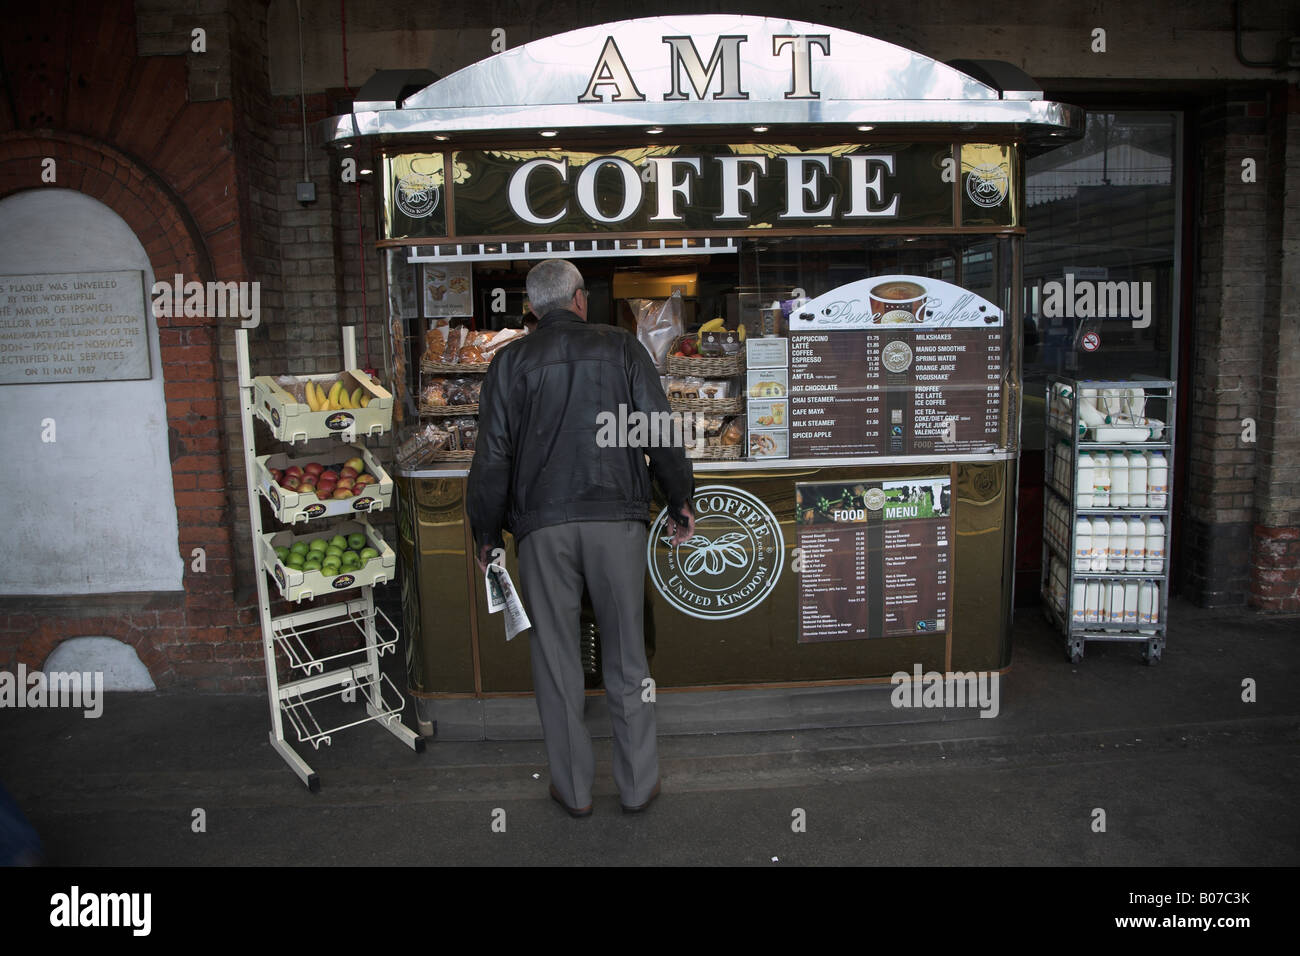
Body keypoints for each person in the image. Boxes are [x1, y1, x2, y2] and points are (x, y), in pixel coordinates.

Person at [468, 259, 695, 818]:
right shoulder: (621, 347)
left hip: (542, 527)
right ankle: (638, 786)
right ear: (578, 299)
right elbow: (658, 428)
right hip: (616, 519)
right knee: (627, 657)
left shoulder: (509, 362)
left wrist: (485, 533)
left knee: (555, 659)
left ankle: (572, 790)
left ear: (533, 307)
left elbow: (492, 456)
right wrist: (678, 499)